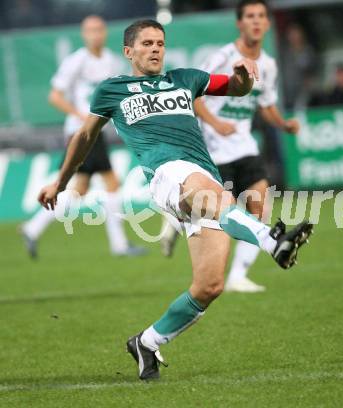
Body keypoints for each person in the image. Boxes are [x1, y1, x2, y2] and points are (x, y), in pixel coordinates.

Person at [38, 19, 314, 382]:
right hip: (166, 175)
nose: (155, 49)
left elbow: (236, 88)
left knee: (209, 286)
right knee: (214, 193)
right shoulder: (113, 90)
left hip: (202, 176)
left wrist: (245, 76)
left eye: (160, 43)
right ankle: (272, 240)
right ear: (129, 51)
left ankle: (147, 342)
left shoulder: (186, 78)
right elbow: (85, 135)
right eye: (147, 43)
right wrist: (61, 180)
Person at [161, 0, 300, 293]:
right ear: (239, 23)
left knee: (259, 206)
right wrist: (213, 122)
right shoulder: (223, 57)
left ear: (268, 23)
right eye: (250, 16)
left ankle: (238, 275)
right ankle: (175, 221)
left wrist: (283, 124)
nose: (256, 21)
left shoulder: (269, 65)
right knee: (212, 211)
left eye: (261, 16)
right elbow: (192, 93)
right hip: (212, 147)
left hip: (244, 144)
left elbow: (266, 104)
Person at [20, 15, 145, 258]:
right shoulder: (76, 61)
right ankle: (119, 245)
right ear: (83, 34)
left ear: (105, 32)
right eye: (90, 30)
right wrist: (80, 114)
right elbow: (55, 96)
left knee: (80, 189)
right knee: (111, 183)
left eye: (99, 29)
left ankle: (32, 228)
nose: (95, 34)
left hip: (97, 130)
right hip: (82, 131)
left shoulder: (110, 61)